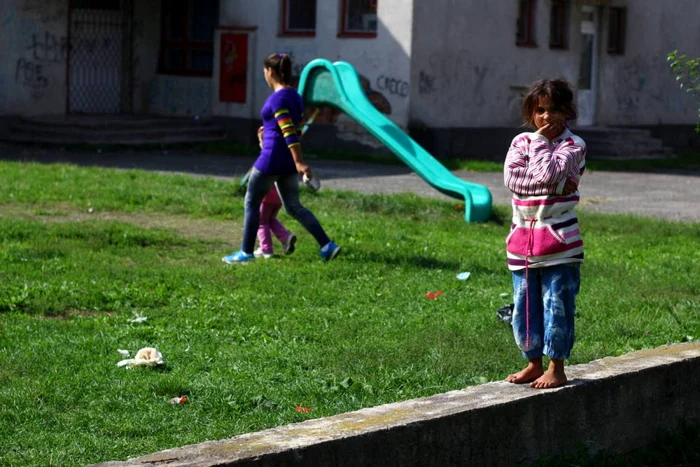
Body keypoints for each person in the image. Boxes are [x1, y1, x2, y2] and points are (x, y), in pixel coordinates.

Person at [503, 78, 586, 389]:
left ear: (566, 111)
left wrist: (540, 147)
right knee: (524, 308)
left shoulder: (573, 145)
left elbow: (548, 174)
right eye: (540, 111)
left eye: (554, 110)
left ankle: (556, 367)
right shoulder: (519, 142)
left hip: (560, 244)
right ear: (531, 112)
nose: (547, 117)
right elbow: (513, 181)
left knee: (558, 306)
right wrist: (550, 180)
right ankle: (533, 362)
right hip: (522, 244)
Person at [222, 53, 340, 264]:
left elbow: (288, 131)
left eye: (265, 72)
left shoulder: (277, 98)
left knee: (251, 202)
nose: (265, 76)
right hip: (286, 162)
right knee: (294, 207)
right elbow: (297, 130)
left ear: (271, 72)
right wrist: (266, 135)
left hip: (272, 159)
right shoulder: (295, 96)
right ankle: (327, 245)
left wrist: (299, 161)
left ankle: (246, 253)